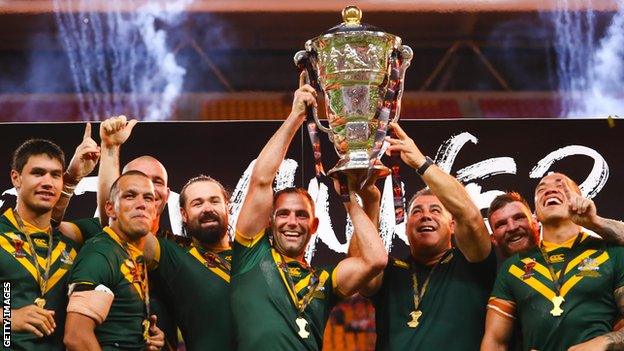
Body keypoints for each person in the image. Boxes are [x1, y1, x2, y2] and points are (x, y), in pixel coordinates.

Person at [231, 79, 388, 350]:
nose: (292, 222)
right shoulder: (250, 255)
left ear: (314, 225)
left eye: (301, 215)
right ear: (270, 222)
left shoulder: (325, 280)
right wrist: (296, 116)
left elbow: (375, 259)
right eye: (283, 214)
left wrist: (351, 199)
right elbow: (261, 179)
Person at [357, 122, 496, 351]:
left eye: (435, 210)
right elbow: (363, 270)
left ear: (452, 225)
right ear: (406, 228)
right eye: (417, 212)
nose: (425, 216)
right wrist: (370, 202)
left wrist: (421, 164)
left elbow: (469, 215)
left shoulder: (472, 263)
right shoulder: (390, 270)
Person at [482, 172, 624, 351]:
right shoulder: (513, 268)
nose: (549, 191)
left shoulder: (611, 252)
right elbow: (495, 342)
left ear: (579, 199)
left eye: (560, 186)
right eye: (541, 190)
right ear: (536, 216)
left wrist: (603, 343)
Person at [0, 128, 100, 350]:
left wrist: (110, 150)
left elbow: (114, 220)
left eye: (55, 175)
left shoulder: (71, 244)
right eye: (38, 173)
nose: (48, 182)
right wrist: (8, 317)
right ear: (16, 178)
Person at [97, 115, 177, 349]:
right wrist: (110, 149)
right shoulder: (95, 238)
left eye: (156, 181)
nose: (146, 188)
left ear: (168, 194)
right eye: (137, 180)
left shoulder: (182, 249)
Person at [64, 171, 164, 351]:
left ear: (155, 210)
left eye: (148, 198)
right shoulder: (101, 254)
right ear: (110, 208)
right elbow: (76, 337)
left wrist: (143, 336)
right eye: (130, 196)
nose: (141, 204)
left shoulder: (130, 252)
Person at [145, 175, 234, 350]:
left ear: (227, 208)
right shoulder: (174, 254)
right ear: (184, 214)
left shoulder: (252, 254)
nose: (207, 208)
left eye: (214, 201)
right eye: (197, 203)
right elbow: (122, 227)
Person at [488, 192, 540, 260]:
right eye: (502, 224)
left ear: (535, 223)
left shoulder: (557, 258)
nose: (512, 228)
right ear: (493, 239)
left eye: (518, 218)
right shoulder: (489, 270)